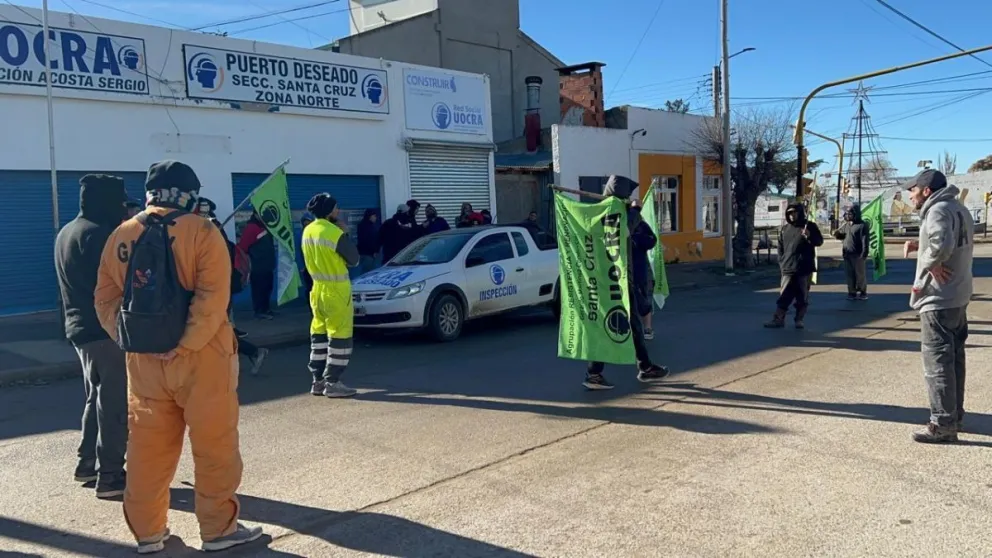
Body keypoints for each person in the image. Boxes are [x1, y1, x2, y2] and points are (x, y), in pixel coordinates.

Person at [94, 160, 261, 553]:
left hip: (143, 362)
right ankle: (218, 530)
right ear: (189, 194)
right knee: (215, 446)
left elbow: (104, 298)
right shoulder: (203, 231)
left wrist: (129, 338)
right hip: (203, 360)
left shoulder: (122, 234)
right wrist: (183, 345)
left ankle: (148, 533)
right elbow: (212, 299)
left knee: (147, 451)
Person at [54, 174, 129, 499]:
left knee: (96, 396)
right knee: (114, 403)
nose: (123, 208)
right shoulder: (100, 235)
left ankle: (87, 463)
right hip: (105, 330)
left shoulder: (67, 232)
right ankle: (110, 475)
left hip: (79, 330)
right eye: (120, 201)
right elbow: (121, 281)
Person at [902, 169, 974, 444]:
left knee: (938, 362)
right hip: (958, 294)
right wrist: (921, 247)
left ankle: (942, 424)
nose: (911, 195)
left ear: (926, 191)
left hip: (938, 298)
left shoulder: (937, 210)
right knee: (954, 359)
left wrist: (930, 262)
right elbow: (946, 242)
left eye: (913, 190)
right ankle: (955, 416)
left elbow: (940, 243)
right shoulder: (959, 208)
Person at [584, 175, 670, 391]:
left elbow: (644, 236)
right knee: (609, 326)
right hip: (611, 281)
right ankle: (595, 373)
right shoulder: (608, 213)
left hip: (620, 280)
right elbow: (620, 231)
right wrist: (635, 211)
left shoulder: (612, 212)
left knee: (632, 325)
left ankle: (644, 366)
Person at [195, 198, 268, 376]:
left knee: (216, 328)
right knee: (218, 328)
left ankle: (248, 353)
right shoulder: (206, 228)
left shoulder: (209, 229)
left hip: (215, 287)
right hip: (213, 287)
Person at [302, 194, 361, 398]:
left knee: (318, 336)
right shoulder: (334, 232)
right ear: (328, 211)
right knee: (340, 336)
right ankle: (333, 382)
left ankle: (317, 381)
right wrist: (345, 234)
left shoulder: (308, 230)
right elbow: (354, 260)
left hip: (317, 290)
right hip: (337, 291)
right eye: (336, 208)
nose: (338, 211)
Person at [765, 203, 824, 330]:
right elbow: (780, 247)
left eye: (794, 212)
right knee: (784, 295)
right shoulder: (785, 229)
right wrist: (781, 262)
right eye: (789, 213)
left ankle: (799, 319)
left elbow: (819, 241)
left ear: (800, 213)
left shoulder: (809, 226)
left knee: (802, 296)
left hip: (803, 268)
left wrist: (809, 235)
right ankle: (778, 319)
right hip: (788, 267)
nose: (792, 215)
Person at [629, 198, 658, 340]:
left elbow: (652, 240)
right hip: (623, 269)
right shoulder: (620, 222)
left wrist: (637, 240)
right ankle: (632, 329)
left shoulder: (641, 225)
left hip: (639, 268)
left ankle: (647, 328)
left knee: (642, 298)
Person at [238, 212, 276, 320]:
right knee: (259, 289)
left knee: (267, 287)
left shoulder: (265, 226)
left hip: (267, 264)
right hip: (257, 265)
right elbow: (243, 246)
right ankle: (259, 311)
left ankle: (266, 309)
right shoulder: (251, 227)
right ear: (255, 214)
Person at [833, 205, 869, 301]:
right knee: (849, 275)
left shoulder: (862, 225)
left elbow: (865, 241)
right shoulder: (846, 225)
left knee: (860, 275)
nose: (848, 216)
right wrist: (837, 235)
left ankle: (863, 292)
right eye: (847, 214)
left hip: (858, 254)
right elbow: (844, 237)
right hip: (847, 254)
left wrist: (864, 254)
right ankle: (852, 292)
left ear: (856, 214)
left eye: (850, 214)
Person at [356, 209, 380, 275]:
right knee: (367, 273)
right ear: (370, 216)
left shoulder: (363, 225)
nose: (375, 218)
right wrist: (375, 251)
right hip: (368, 254)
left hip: (364, 253)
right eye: (374, 216)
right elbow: (369, 240)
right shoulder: (368, 227)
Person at [300, 213, 315, 296]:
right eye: (305, 223)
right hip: (306, 267)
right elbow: (299, 251)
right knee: (309, 287)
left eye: (308, 222)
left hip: (316, 266)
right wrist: (302, 266)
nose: (307, 224)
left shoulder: (316, 233)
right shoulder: (300, 235)